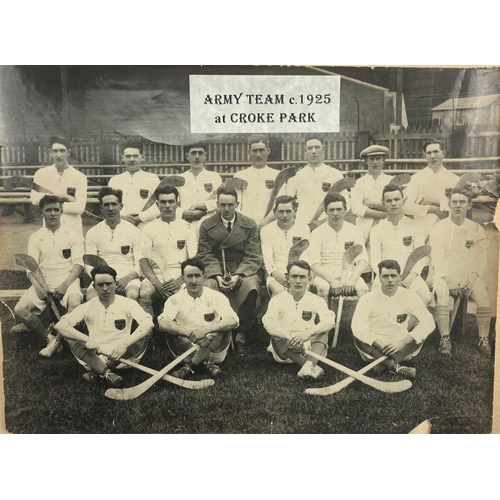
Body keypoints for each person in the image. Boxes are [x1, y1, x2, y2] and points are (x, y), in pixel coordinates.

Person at [55, 265, 154, 387]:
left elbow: (148, 323)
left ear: (116, 283)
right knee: (68, 335)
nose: (105, 288)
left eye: (109, 284)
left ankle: (99, 372)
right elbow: (60, 325)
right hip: (95, 355)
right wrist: (87, 339)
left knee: (144, 333)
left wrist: (124, 344)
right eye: (100, 285)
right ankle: (107, 373)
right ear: (94, 287)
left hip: (123, 357)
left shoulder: (128, 303)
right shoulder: (88, 306)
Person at [11, 195, 83, 357]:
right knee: (20, 310)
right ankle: (49, 338)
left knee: (75, 305)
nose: (52, 214)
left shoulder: (72, 234)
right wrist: (39, 287)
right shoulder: (35, 237)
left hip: (67, 279)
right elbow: (31, 267)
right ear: (41, 212)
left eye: (56, 210)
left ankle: (57, 342)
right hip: (43, 280)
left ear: (61, 211)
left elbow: (78, 265)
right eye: (48, 210)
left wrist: (65, 285)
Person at [197, 184, 263, 357]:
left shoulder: (249, 224)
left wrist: (239, 275)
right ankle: (216, 329)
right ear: (217, 205)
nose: (226, 209)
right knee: (209, 286)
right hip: (217, 268)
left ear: (237, 204)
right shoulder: (206, 225)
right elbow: (205, 254)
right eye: (222, 205)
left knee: (251, 284)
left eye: (230, 205)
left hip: (242, 267)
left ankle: (241, 332)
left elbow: (253, 255)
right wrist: (217, 276)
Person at [429, 188, 492, 357]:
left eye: (462, 202)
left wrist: (471, 277)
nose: (458, 205)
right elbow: (437, 257)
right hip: (444, 275)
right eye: (454, 202)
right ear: (449, 204)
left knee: (483, 295)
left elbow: (481, 258)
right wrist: (448, 280)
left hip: (467, 275)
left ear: (469, 204)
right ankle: (445, 338)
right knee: (442, 292)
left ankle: (483, 339)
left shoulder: (477, 229)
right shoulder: (439, 228)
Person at [351, 259, 435, 380]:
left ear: (399, 277)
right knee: (358, 337)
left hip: (400, 348)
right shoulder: (368, 298)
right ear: (379, 278)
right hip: (374, 347)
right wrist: (378, 343)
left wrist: (403, 342)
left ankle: (383, 364)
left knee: (420, 335)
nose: (390, 280)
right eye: (385, 276)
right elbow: (357, 326)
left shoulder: (409, 296)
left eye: (393, 276)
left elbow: (429, 322)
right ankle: (396, 367)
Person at [158, 258, 239, 379]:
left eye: (197, 276)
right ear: (183, 278)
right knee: (169, 327)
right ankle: (206, 364)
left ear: (204, 277)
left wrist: (206, 331)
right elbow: (162, 323)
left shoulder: (216, 296)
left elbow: (234, 320)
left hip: (213, 349)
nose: (194, 281)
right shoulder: (175, 299)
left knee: (224, 325)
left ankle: (189, 367)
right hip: (185, 350)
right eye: (189, 276)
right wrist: (190, 334)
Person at [262, 260, 335, 379]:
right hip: (284, 349)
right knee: (275, 333)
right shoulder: (277, 299)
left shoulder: (316, 300)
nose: (298, 281)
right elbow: (267, 322)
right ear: (287, 277)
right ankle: (309, 366)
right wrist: (290, 337)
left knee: (323, 331)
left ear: (309, 279)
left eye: (302, 277)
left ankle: (307, 367)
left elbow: (330, 321)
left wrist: (308, 334)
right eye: (294, 276)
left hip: (308, 348)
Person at [138, 185, 197, 316]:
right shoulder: (149, 228)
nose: (167, 206)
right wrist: (157, 284)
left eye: (171, 201)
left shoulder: (188, 228)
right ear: (157, 205)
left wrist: (179, 281)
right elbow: (142, 260)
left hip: (179, 275)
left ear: (178, 203)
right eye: (163, 202)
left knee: (184, 298)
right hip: (156, 276)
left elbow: (193, 260)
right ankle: (148, 332)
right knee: (144, 293)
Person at [369, 185, 432, 306]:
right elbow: (375, 259)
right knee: (376, 299)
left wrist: (410, 277)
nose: (393, 203)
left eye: (396, 199)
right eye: (389, 201)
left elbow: (421, 257)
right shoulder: (377, 230)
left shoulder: (415, 226)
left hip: (410, 275)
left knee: (425, 297)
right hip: (386, 275)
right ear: (383, 204)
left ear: (403, 201)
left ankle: (407, 325)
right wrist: (386, 277)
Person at [274, 133, 349, 229]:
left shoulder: (335, 174)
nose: (313, 151)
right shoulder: (296, 176)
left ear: (323, 149)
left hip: (328, 227)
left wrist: (323, 221)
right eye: (310, 148)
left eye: (317, 147)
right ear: (305, 150)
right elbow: (287, 204)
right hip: (302, 227)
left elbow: (346, 204)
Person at [308, 193, 369, 303]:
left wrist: (352, 279)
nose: (335, 213)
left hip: (349, 272)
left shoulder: (355, 230)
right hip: (325, 274)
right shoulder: (317, 232)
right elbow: (314, 263)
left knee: (363, 289)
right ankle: (324, 319)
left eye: (339, 209)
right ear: (326, 212)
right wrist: (331, 280)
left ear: (345, 210)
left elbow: (363, 260)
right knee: (323, 288)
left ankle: (359, 320)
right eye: (331, 210)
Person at [85, 187, 142, 301]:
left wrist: (126, 279)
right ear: (101, 208)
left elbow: (140, 263)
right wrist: (103, 280)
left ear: (121, 206)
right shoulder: (93, 232)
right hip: (102, 278)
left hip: (128, 277)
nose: (110, 208)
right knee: (91, 297)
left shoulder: (134, 231)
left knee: (132, 294)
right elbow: (89, 264)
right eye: (106, 205)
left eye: (114, 204)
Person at [30, 136, 88, 236]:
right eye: (55, 151)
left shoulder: (79, 176)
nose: (59, 155)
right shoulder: (41, 174)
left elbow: (79, 207)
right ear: (50, 152)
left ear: (68, 152)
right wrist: (63, 197)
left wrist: (50, 204)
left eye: (62, 151)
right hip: (49, 230)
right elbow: (35, 200)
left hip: (73, 228)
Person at [404, 138, 458, 237]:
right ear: (425, 156)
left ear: (443, 153)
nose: (432, 156)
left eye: (436, 152)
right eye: (429, 153)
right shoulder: (416, 178)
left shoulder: (453, 179)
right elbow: (406, 206)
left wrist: (434, 201)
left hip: (446, 230)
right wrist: (432, 208)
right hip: (422, 229)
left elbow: (456, 206)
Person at [260, 195, 310, 296]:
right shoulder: (266, 230)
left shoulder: (303, 228)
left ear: (295, 211)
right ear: (274, 212)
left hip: (298, 272)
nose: (285, 215)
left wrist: (294, 276)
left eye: (288, 211)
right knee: (279, 291)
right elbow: (268, 259)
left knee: (302, 292)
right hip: (275, 274)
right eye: (281, 211)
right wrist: (278, 276)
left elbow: (304, 257)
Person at [108, 140, 161, 228]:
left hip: (147, 226)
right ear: (123, 158)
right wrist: (121, 217)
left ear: (142, 157)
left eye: (135, 156)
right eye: (128, 156)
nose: (132, 159)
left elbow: (160, 205)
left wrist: (140, 218)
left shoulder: (152, 178)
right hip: (122, 226)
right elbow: (110, 205)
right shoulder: (114, 180)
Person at [232, 134, 279, 225]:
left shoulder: (276, 175)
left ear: (268, 151)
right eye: (254, 151)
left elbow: (278, 205)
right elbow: (236, 205)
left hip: (270, 224)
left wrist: (263, 224)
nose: (258, 154)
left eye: (261, 150)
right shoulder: (239, 175)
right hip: (245, 225)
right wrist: (248, 225)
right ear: (249, 152)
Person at [350, 144, 393, 240]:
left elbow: (396, 206)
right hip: (364, 231)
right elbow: (356, 209)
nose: (375, 162)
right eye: (372, 159)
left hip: (387, 228)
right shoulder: (358, 183)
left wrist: (370, 204)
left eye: (378, 158)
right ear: (366, 161)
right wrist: (386, 214)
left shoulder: (391, 181)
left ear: (383, 160)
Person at [177, 143, 223, 230]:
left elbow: (220, 201)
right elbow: (173, 204)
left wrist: (201, 205)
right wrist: (185, 213)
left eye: (200, 153)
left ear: (205, 156)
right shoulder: (180, 178)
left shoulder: (214, 176)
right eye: (194, 153)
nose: (197, 157)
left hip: (210, 225)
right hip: (185, 225)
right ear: (187, 156)